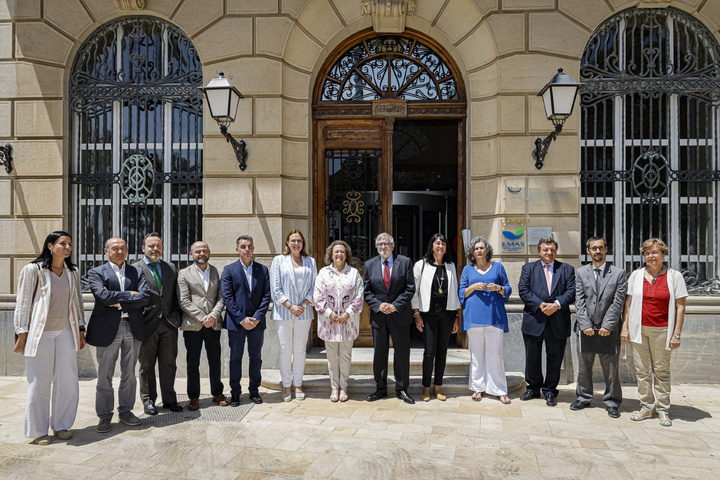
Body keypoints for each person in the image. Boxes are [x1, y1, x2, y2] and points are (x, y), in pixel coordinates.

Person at [13, 231, 86, 445]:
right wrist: (21, 333)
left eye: (70, 244)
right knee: (39, 383)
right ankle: (37, 431)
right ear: (50, 246)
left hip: (66, 333)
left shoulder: (72, 272)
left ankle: (61, 425)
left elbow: (77, 303)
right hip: (40, 334)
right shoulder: (33, 270)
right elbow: (23, 303)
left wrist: (81, 330)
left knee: (68, 381)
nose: (67, 247)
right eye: (63, 243)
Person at [621, 238, 688, 427]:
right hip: (639, 329)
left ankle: (663, 409)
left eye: (655, 252)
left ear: (663, 254)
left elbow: (680, 307)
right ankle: (645, 407)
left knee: (661, 371)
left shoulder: (674, 276)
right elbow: (628, 303)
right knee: (642, 371)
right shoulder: (636, 275)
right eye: (647, 253)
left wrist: (676, 334)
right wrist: (625, 327)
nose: (651, 256)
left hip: (663, 330)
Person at [86, 237, 150, 433]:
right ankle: (104, 415)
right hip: (107, 329)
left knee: (129, 374)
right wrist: (130, 295)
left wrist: (119, 300)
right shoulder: (96, 272)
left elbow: (145, 297)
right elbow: (102, 297)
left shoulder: (136, 272)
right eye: (115, 248)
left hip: (132, 327)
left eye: (123, 248)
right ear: (106, 251)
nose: (120, 252)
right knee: (104, 375)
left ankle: (126, 411)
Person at [571, 236, 627, 418]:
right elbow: (579, 300)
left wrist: (608, 325)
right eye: (594, 248)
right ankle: (583, 397)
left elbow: (618, 302)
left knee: (611, 368)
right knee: (584, 366)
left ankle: (612, 401)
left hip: (608, 329)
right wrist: (585, 323)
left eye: (601, 248)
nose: (597, 251)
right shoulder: (580, 273)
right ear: (588, 251)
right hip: (585, 328)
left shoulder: (618, 273)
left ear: (606, 249)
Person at [518, 236, 576, 407]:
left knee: (555, 358)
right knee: (532, 357)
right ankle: (533, 388)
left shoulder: (566, 269)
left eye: (552, 249)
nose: (549, 252)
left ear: (555, 251)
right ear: (539, 251)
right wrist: (541, 304)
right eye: (545, 249)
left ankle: (550, 390)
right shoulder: (528, 268)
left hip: (557, 320)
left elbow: (572, 291)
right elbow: (523, 290)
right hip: (534, 319)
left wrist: (556, 304)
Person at [133, 233, 183, 414]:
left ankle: (169, 399)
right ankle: (148, 401)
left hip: (168, 324)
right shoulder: (135, 269)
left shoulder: (170, 267)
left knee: (169, 364)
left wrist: (176, 318)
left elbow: (175, 295)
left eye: (158, 246)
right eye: (151, 246)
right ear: (143, 248)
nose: (155, 249)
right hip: (147, 324)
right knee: (146, 366)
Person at [364, 233, 416, 404]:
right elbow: (367, 291)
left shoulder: (405, 262)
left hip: (399, 315)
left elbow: (409, 288)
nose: (383, 247)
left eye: (386, 244)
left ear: (393, 246)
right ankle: (380, 388)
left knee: (401, 353)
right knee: (379, 353)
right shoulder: (370, 264)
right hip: (379, 316)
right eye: (380, 244)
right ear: (376, 246)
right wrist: (379, 305)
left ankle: (402, 389)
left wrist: (395, 305)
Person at [458, 236, 512, 404]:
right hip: (473, 317)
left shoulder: (498, 267)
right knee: (476, 354)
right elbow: (461, 293)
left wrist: (499, 288)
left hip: (494, 316)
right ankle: (477, 388)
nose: (479, 251)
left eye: (482, 248)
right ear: (472, 253)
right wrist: (473, 287)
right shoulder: (467, 270)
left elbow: (508, 289)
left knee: (495, 353)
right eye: (476, 248)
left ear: (487, 250)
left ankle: (499, 390)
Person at [221, 235, 271, 406]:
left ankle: (254, 391)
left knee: (255, 357)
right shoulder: (229, 270)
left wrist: (256, 318)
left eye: (249, 246)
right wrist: (241, 318)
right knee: (235, 358)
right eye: (243, 246)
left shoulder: (262, 270)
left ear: (253, 248)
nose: (247, 249)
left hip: (257, 323)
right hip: (236, 323)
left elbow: (266, 296)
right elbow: (227, 297)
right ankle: (235, 393)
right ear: (237, 249)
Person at [177, 241, 227, 411]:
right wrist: (202, 317)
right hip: (193, 325)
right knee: (193, 362)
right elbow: (183, 300)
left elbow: (221, 298)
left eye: (204, 250)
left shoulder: (216, 272)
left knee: (215, 360)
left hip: (213, 324)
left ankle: (217, 393)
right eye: (198, 251)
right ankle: (193, 397)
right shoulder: (184, 273)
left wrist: (213, 316)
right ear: (191, 254)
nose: (201, 253)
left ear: (209, 252)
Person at [411, 233, 460, 402]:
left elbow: (455, 292)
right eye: (437, 243)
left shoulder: (451, 266)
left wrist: (456, 317)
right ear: (431, 245)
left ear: (446, 248)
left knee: (442, 352)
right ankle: (425, 388)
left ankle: (438, 387)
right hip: (428, 316)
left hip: (447, 315)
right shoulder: (421, 265)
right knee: (429, 352)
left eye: (443, 244)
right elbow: (414, 291)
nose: (440, 246)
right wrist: (416, 314)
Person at [313, 241, 364, 402]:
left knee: (345, 356)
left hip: (348, 323)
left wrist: (348, 313)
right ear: (331, 254)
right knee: (332, 358)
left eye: (342, 252)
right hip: (330, 323)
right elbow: (317, 296)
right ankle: (334, 387)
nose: (339, 254)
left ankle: (344, 387)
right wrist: (330, 314)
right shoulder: (323, 273)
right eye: (336, 252)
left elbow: (359, 295)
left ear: (346, 254)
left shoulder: (353, 273)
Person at [270, 229, 317, 402]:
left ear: (303, 243)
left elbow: (315, 286)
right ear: (287, 243)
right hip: (283, 312)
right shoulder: (278, 261)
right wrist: (290, 306)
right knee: (285, 349)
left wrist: (304, 304)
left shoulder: (310, 261)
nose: (296, 243)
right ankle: (286, 384)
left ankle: (298, 384)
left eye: (299, 240)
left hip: (304, 312)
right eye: (293, 240)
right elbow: (275, 289)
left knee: (300, 349)